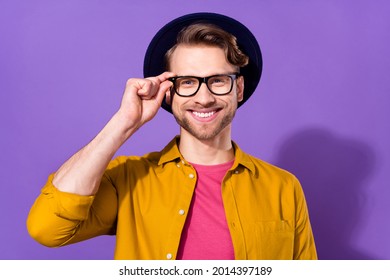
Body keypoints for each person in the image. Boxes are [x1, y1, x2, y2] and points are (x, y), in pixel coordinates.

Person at [27, 12, 317, 260]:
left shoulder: (284, 188)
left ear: (238, 89)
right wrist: (123, 123)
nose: (203, 98)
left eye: (218, 80)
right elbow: (47, 228)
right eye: (188, 82)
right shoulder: (129, 180)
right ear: (169, 92)